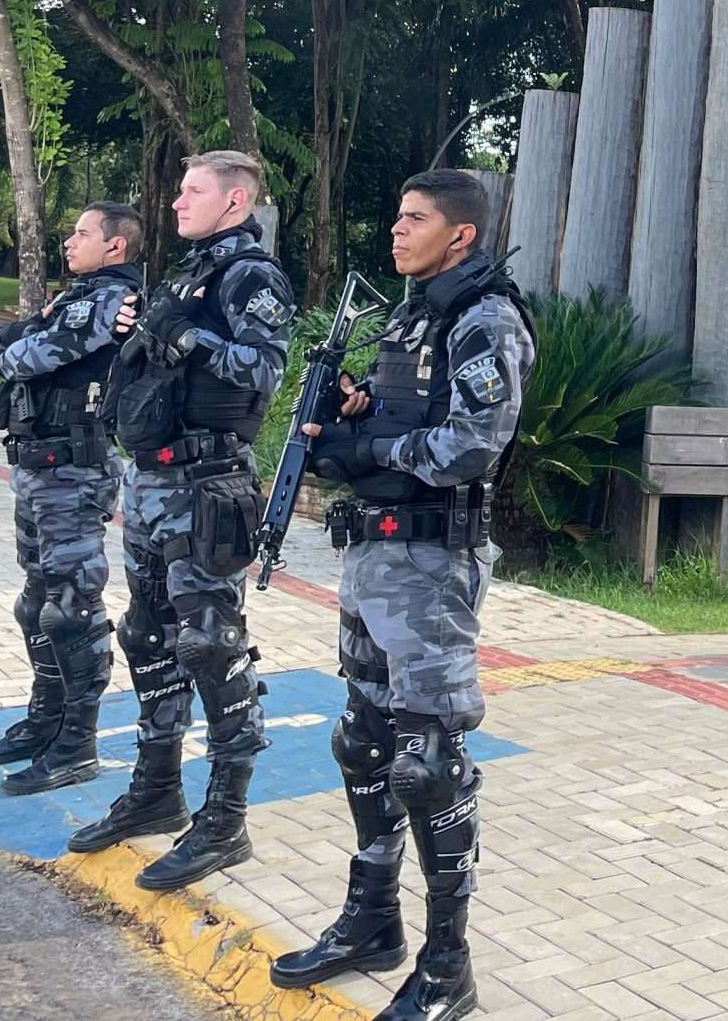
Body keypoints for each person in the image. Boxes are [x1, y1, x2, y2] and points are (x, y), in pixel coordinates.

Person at [270, 169, 531, 1021]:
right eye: (395, 213)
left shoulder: (484, 318)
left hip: (431, 565)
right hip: (374, 557)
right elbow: (398, 411)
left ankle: (448, 966)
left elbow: (471, 443)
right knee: (363, 740)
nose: (396, 228)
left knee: (427, 760)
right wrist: (355, 413)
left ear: (460, 235)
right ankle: (371, 920)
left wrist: (372, 453)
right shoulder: (412, 312)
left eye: (414, 218)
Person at [68, 150, 296, 892]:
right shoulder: (190, 270)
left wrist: (185, 336)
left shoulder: (250, 276)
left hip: (207, 481)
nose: (175, 202)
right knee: (148, 634)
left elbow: (263, 371)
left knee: (211, 645)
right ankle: (156, 788)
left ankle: (225, 821)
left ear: (235, 201)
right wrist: (144, 330)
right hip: (153, 478)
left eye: (191, 191)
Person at [0, 202, 145, 795]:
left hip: (75, 468)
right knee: (36, 602)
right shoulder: (78, 299)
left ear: (115, 246)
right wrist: (21, 333)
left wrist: (20, 333)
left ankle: (78, 742)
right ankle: (46, 720)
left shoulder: (108, 300)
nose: (69, 242)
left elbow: (18, 356)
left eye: (82, 233)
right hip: (40, 467)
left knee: (71, 607)